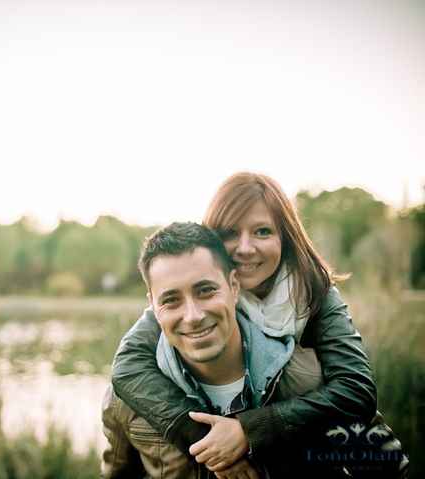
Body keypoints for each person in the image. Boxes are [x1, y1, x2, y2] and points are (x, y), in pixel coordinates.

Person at [110, 172, 407, 477]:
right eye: (230, 233)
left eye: (262, 232)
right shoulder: (192, 299)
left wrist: (247, 430)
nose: (245, 248)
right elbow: (127, 366)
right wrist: (209, 443)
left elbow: (355, 390)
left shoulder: (313, 292)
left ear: (284, 237)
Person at [102, 221, 295, 478]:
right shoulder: (123, 400)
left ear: (234, 286)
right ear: (153, 306)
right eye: (171, 300)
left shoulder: (302, 379)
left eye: (205, 291)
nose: (192, 316)